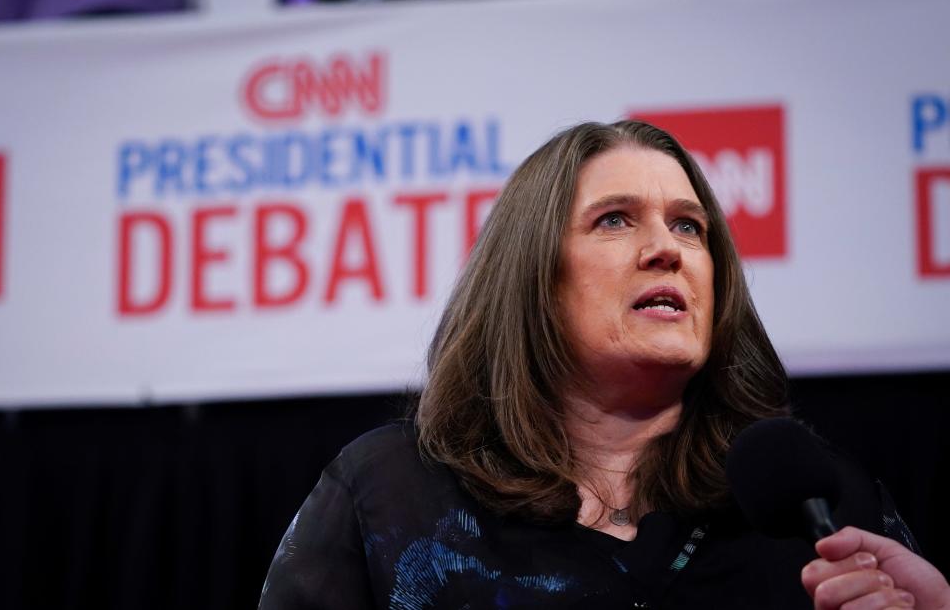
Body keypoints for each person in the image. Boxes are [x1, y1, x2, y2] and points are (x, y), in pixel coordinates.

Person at [258, 121, 949, 609]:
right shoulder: (390, 496)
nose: (666, 249)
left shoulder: (824, 510)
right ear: (533, 277)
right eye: (615, 219)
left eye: (689, 226)